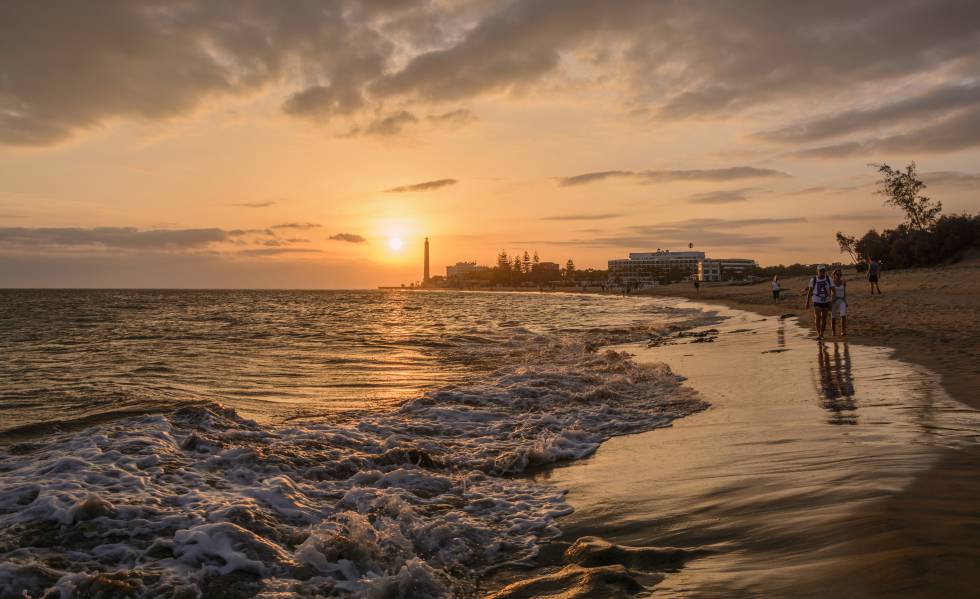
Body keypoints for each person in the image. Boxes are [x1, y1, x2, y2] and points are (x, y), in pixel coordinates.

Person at [804, 265, 836, 340]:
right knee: (817, 317)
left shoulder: (829, 279)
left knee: (824, 318)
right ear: (817, 271)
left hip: (826, 301)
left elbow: (833, 291)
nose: (822, 272)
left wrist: (832, 300)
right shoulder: (813, 279)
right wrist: (807, 302)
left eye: (823, 271)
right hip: (816, 300)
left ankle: (822, 333)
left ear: (825, 271)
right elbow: (810, 291)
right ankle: (819, 334)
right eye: (820, 271)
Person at [831, 269, 847, 337]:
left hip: (841, 301)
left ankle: (843, 331)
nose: (839, 276)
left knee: (843, 315)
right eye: (837, 274)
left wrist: (845, 301)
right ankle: (834, 332)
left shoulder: (843, 282)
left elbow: (844, 292)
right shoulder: (831, 282)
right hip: (834, 301)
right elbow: (829, 292)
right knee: (833, 317)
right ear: (834, 275)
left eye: (840, 274)